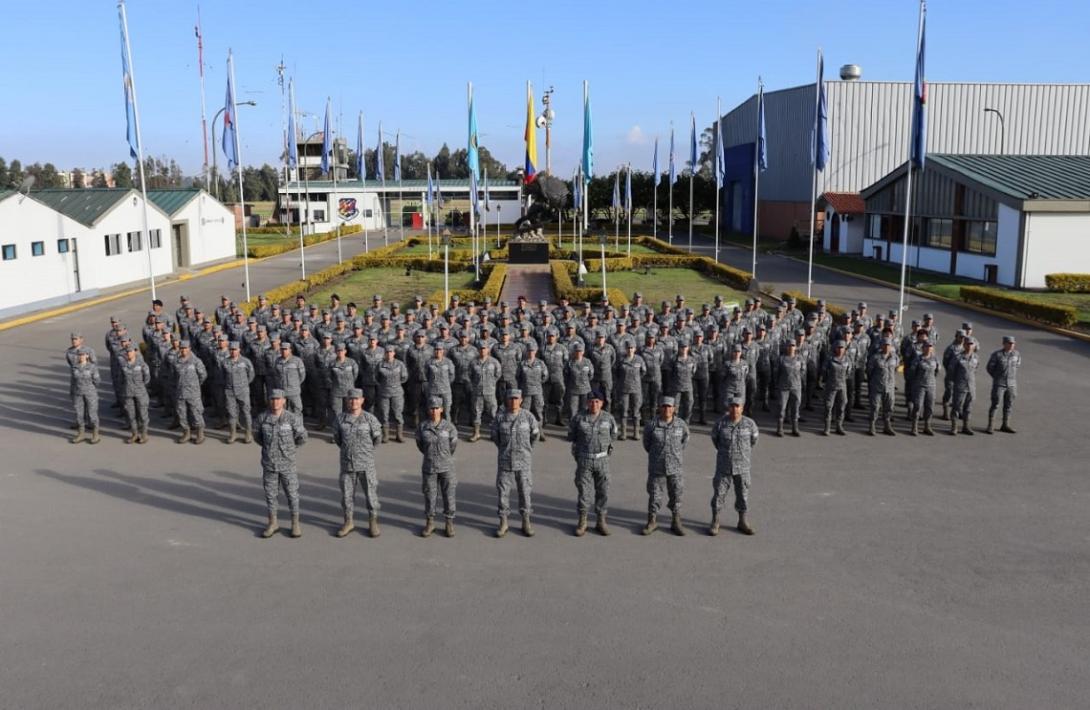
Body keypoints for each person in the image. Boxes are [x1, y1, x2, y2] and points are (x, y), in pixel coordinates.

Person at [254, 389, 308, 539]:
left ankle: (295, 523)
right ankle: (273, 523)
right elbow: (258, 437)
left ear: (284, 401)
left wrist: (290, 450)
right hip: (269, 464)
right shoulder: (262, 418)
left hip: (287, 464)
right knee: (271, 495)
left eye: (278, 399)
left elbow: (302, 437)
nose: (275, 402)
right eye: (272, 399)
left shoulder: (292, 418)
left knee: (292, 494)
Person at [332, 389, 383, 538]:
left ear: (362, 400)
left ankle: (373, 522)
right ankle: (348, 522)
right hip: (347, 464)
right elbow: (338, 439)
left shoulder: (370, 419)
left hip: (366, 465)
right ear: (347, 401)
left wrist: (364, 452)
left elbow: (377, 439)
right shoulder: (340, 419)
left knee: (371, 496)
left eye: (356, 399)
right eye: (351, 399)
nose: (353, 402)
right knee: (347, 496)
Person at [567, 389, 619, 536]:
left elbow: (613, 436)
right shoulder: (578, 418)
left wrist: (605, 453)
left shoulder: (608, 419)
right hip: (585, 460)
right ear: (587, 402)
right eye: (591, 401)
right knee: (584, 492)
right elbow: (572, 438)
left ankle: (601, 521)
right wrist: (579, 456)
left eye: (597, 401)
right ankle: (582, 521)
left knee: (603, 491)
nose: (594, 404)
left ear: (602, 403)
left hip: (602, 461)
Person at [491, 389, 540, 538]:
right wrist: (504, 450)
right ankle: (503, 521)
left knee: (525, 492)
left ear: (521, 399)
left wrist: (527, 450)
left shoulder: (529, 417)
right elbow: (495, 437)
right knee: (503, 493)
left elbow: (535, 435)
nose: (513, 401)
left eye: (516, 399)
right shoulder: (500, 418)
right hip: (505, 461)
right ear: (507, 400)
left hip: (524, 461)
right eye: (511, 398)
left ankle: (526, 521)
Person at [709, 397, 759, 535]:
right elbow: (715, 440)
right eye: (732, 406)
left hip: (742, 467)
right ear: (728, 408)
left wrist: (742, 454)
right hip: (724, 466)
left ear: (742, 408)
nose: (735, 409)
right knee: (719, 494)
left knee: (743, 495)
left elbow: (753, 441)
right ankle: (715, 521)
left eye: (737, 406)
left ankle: (742, 521)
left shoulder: (750, 424)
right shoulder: (720, 424)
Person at [642, 396, 690, 536]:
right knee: (654, 495)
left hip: (675, 468)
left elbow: (685, 441)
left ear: (674, 408)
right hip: (657, 467)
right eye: (664, 406)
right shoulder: (651, 425)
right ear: (659, 408)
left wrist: (675, 454)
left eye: (669, 406)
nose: (667, 409)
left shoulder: (681, 425)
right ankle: (652, 521)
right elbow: (647, 444)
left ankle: (676, 521)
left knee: (676, 494)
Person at [416, 396, 459, 538]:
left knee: (449, 495)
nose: (434, 411)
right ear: (428, 410)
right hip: (429, 467)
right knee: (429, 495)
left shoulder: (449, 427)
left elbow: (453, 446)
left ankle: (449, 522)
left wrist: (442, 456)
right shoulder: (422, 427)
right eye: (431, 408)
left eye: (436, 408)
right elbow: (421, 445)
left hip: (447, 467)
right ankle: (430, 522)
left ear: (442, 409)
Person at [174, 340, 208, 444]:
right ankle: (186, 433)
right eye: (181, 348)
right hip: (180, 392)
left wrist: (195, 385)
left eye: (185, 348)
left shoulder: (196, 361)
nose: (183, 350)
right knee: (181, 414)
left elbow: (203, 375)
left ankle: (200, 434)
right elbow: (174, 375)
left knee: (196, 413)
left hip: (193, 392)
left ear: (189, 349)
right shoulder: (176, 361)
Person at [986, 335, 1021, 434]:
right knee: (995, 404)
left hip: (1011, 384)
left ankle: (1005, 425)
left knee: (1009, 405)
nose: (1011, 345)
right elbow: (990, 368)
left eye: (1013, 343)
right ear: (1004, 344)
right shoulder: (997, 355)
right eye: (1009, 343)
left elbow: (1017, 365)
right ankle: (990, 425)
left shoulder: (1016, 354)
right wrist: (997, 377)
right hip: (999, 383)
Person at [222, 341, 255, 444]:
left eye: (235, 349)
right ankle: (233, 434)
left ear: (239, 350)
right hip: (230, 391)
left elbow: (251, 375)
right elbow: (223, 375)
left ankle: (248, 434)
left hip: (243, 391)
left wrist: (244, 384)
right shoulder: (225, 362)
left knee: (246, 412)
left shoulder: (246, 361)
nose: (233, 351)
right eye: (231, 349)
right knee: (231, 413)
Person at [118, 345, 151, 444]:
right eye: (127, 352)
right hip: (128, 393)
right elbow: (121, 378)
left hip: (140, 392)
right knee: (131, 414)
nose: (129, 353)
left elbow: (147, 378)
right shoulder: (123, 365)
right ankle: (134, 434)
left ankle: (144, 434)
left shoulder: (141, 364)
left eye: (131, 351)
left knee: (142, 414)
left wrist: (140, 386)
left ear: (135, 352)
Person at [376, 345, 409, 443]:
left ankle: (399, 435)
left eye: (391, 352)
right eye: (387, 352)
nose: (389, 354)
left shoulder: (400, 364)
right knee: (384, 414)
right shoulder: (380, 364)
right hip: (384, 393)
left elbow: (404, 377)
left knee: (397, 414)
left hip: (397, 393)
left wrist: (395, 384)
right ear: (385, 353)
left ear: (394, 353)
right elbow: (377, 377)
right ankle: (385, 435)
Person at [469, 343, 501, 442]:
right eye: (481, 349)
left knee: (492, 413)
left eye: (485, 349)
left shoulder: (494, 362)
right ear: (479, 350)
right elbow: (470, 375)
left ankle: (493, 433)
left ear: (488, 350)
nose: (483, 350)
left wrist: (490, 383)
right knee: (476, 412)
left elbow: (498, 374)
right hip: (477, 392)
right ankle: (476, 433)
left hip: (490, 392)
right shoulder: (473, 362)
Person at [517, 341, 549, 440]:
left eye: (533, 350)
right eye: (529, 350)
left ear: (536, 351)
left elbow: (545, 376)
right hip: (526, 392)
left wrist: (537, 384)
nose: (531, 352)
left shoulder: (540, 363)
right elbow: (518, 376)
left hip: (537, 391)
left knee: (538, 412)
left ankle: (540, 431)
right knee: (524, 412)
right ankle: (525, 431)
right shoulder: (522, 363)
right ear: (527, 351)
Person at [867, 338, 899, 436]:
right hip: (877, 387)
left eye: (888, 345)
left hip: (889, 388)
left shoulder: (895, 358)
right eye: (884, 345)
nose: (886, 347)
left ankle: (887, 425)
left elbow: (896, 369)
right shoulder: (875, 358)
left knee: (889, 407)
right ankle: (872, 425)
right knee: (875, 407)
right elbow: (869, 371)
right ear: (881, 346)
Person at [615, 341, 647, 440]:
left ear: (635, 349)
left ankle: (636, 432)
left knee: (636, 411)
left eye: (632, 348)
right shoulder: (621, 359)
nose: (630, 350)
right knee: (623, 410)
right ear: (626, 349)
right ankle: (623, 433)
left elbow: (643, 371)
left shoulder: (639, 359)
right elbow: (617, 372)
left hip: (636, 389)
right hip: (624, 388)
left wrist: (636, 380)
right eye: (628, 348)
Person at [909, 340, 940, 435]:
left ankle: (927, 426)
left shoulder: (935, 359)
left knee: (930, 407)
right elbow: (912, 372)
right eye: (926, 346)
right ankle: (914, 426)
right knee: (918, 406)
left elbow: (937, 371)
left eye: (930, 347)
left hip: (931, 386)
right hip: (920, 386)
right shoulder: (918, 359)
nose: (929, 348)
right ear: (923, 348)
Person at [774, 340, 805, 437]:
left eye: (793, 345)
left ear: (796, 347)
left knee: (795, 408)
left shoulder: (800, 359)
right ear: (786, 347)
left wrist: (800, 381)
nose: (791, 347)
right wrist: (777, 384)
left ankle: (795, 428)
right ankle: (780, 428)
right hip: (783, 387)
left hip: (796, 387)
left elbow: (803, 372)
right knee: (781, 408)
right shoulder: (781, 359)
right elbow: (776, 373)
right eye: (789, 345)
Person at [69, 350, 100, 444]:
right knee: (79, 414)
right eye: (79, 355)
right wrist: (72, 392)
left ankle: (95, 434)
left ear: (87, 356)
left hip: (90, 393)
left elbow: (97, 380)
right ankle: (81, 433)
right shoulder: (74, 367)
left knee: (92, 413)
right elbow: (73, 381)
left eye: (83, 355)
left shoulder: (92, 367)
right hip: (78, 393)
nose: (81, 356)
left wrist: (90, 388)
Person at [950, 337, 979, 435]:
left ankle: (965, 426)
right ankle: (954, 427)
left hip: (971, 386)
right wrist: (957, 381)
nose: (970, 346)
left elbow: (976, 369)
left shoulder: (975, 357)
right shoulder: (958, 357)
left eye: (971, 344)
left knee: (968, 407)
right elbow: (951, 371)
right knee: (956, 406)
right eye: (968, 344)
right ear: (964, 345)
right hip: (960, 386)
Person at [821, 340, 851, 436]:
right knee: (828, 406)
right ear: (835, 348)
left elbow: (849, 372)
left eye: (842, 348)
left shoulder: (847, 359)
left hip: (842, 386)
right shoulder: (830, 358)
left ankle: (839, 426)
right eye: (838, 347)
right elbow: (824, 371)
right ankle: (827, 427)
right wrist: (827, 381)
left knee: (842, 406)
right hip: (831, 386)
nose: (840, 349)